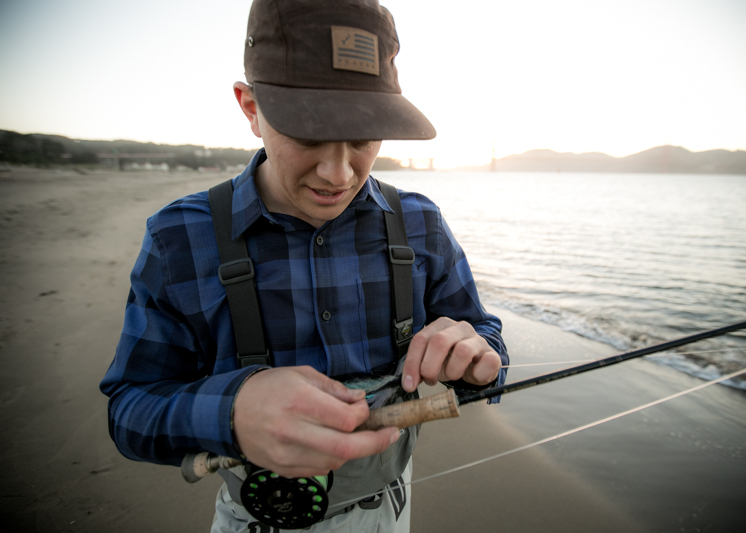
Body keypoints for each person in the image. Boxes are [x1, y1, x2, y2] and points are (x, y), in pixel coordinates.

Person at [100, 0, 508, 531]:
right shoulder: (179, 238)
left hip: (390, 510)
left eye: (363, 136)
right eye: (309, 134)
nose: (338, 172)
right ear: (250, 108)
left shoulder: (420, 223)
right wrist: (233, 410)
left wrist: (479, 355)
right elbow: (129, 410)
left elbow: (486, 340)